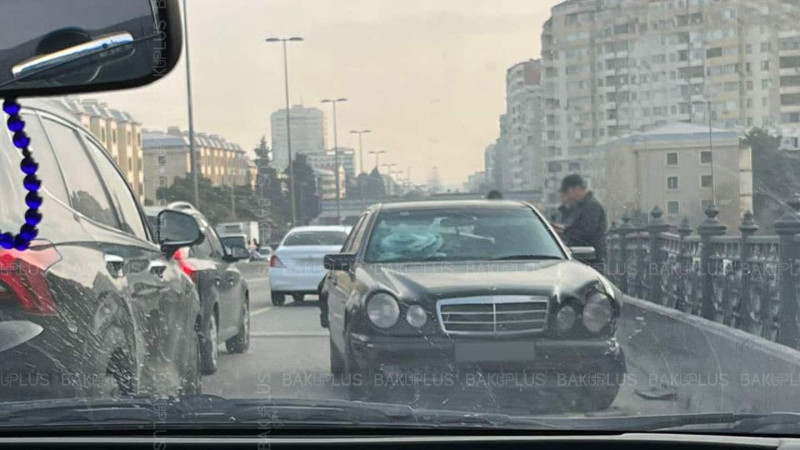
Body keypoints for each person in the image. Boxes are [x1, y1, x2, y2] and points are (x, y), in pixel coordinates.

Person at [554, 174, 607, 270]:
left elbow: (586, 232)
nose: (568, 197)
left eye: (568, 193)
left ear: (577, 189)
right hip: (584, 258)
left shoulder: (591, 207)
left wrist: (564, 231)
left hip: (591, 260)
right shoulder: (579, 206)